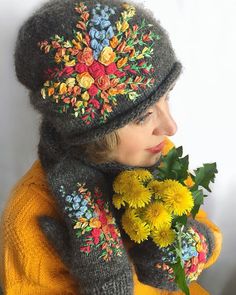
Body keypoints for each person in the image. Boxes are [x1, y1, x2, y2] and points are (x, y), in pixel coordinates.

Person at [0, 0, 222, 294]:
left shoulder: (157, 154)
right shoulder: (28, 216)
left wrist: (195, 247)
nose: (170, 127)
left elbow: (211, 234)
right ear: (91, 132)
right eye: (143, 116)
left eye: (166, 98)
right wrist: (104, 285)